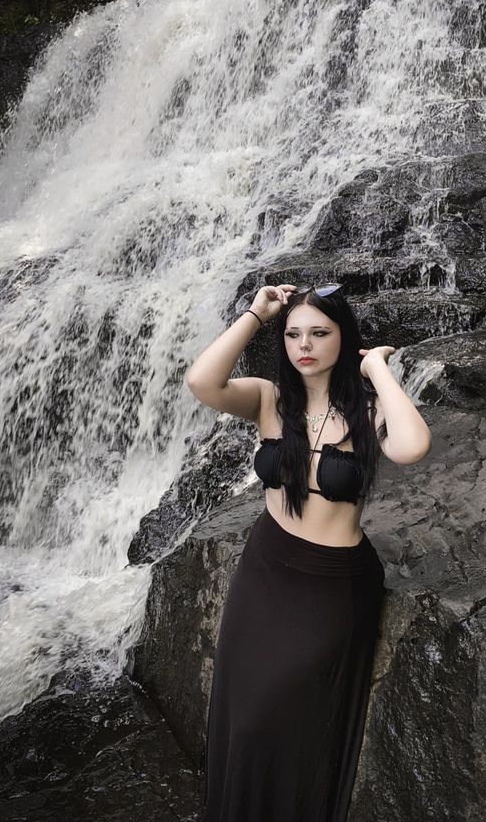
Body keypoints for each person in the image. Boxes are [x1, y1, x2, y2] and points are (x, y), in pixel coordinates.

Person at [185, 281, 432, 822]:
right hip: (266, 569)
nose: (305, 345)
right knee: (245, 718)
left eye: (320, 333)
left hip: (333, 586)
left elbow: (413, 447)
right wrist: (258, 312)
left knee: (291, 715)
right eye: (295, 334)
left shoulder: (369, 411)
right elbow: (202, 381)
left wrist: (379, 370)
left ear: (344, 338)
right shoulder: (270, 399)